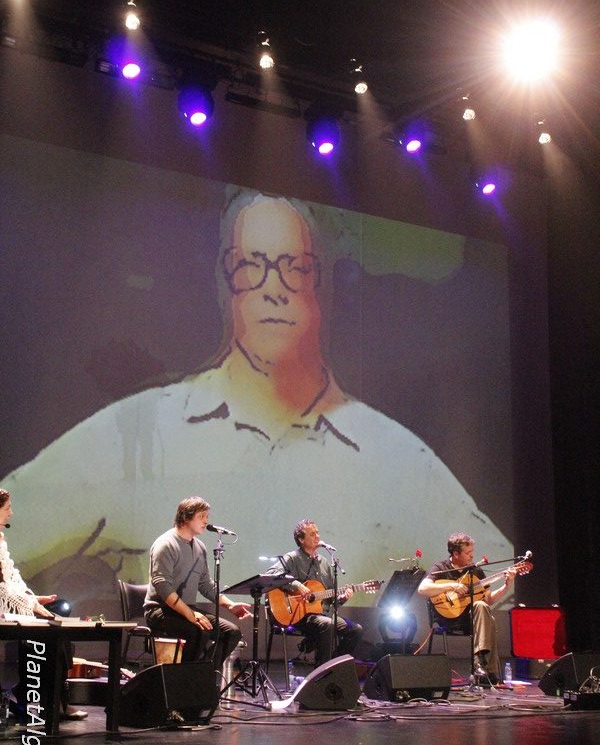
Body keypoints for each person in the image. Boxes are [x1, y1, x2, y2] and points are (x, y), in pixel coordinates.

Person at [1, 186, 514, 603]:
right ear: (224, 281)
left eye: (294, 265)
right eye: (252, 264)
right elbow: (13, 520)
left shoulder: (395, 454)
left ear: (321, 281)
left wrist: (466, 592)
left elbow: (497, 573)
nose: (274, 287)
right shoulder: (141, 429)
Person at [0, 488, 86, 720]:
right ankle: (49, 698)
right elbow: (1, 589)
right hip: (2, 610)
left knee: (58, 615)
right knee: (49, 628)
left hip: (12, 605)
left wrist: (34, 599)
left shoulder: (1, 540)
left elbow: (13, 580)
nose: (11, 513)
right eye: (7, 508)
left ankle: (54, 696)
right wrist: (32, 604)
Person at [144, 496, 251, 671]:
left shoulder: (200, 547)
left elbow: (206, 584)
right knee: (198, 631)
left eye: (207, 516)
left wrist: (230, 605)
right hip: (160, 610)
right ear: (186, 517)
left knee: (231, 632)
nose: (206, 521)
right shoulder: (165, 544)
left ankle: (201, 673)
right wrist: (192, 615)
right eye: (201, 516)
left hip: (187, 609)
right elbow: (162, 585)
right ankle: (183, 677)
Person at [417, 531, 516, 684]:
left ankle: (480, 665)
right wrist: (453, 586)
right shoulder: (441, 567)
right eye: (468, 553)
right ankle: (487, 671)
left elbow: (488, 600)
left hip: (471, 620)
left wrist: (506, 586)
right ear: (455, 554)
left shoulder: (476, 571)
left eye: (472, 552)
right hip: (448, 618)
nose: (472, 556)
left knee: (482, 606)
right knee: (489, 620)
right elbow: (423, 589)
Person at [266, 519, 363, 667]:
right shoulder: (293, 558)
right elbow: (271, 573)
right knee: (328, 624)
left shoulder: (325, 563)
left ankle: (333, 666)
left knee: (356, 630)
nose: (317, 536)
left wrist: (342, 598)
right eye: (312, 534)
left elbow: (329, 600)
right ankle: (321, 673)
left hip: (321, 614)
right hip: (297, 616)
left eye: (317, 532)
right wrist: (297, 585)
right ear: (301, 539)